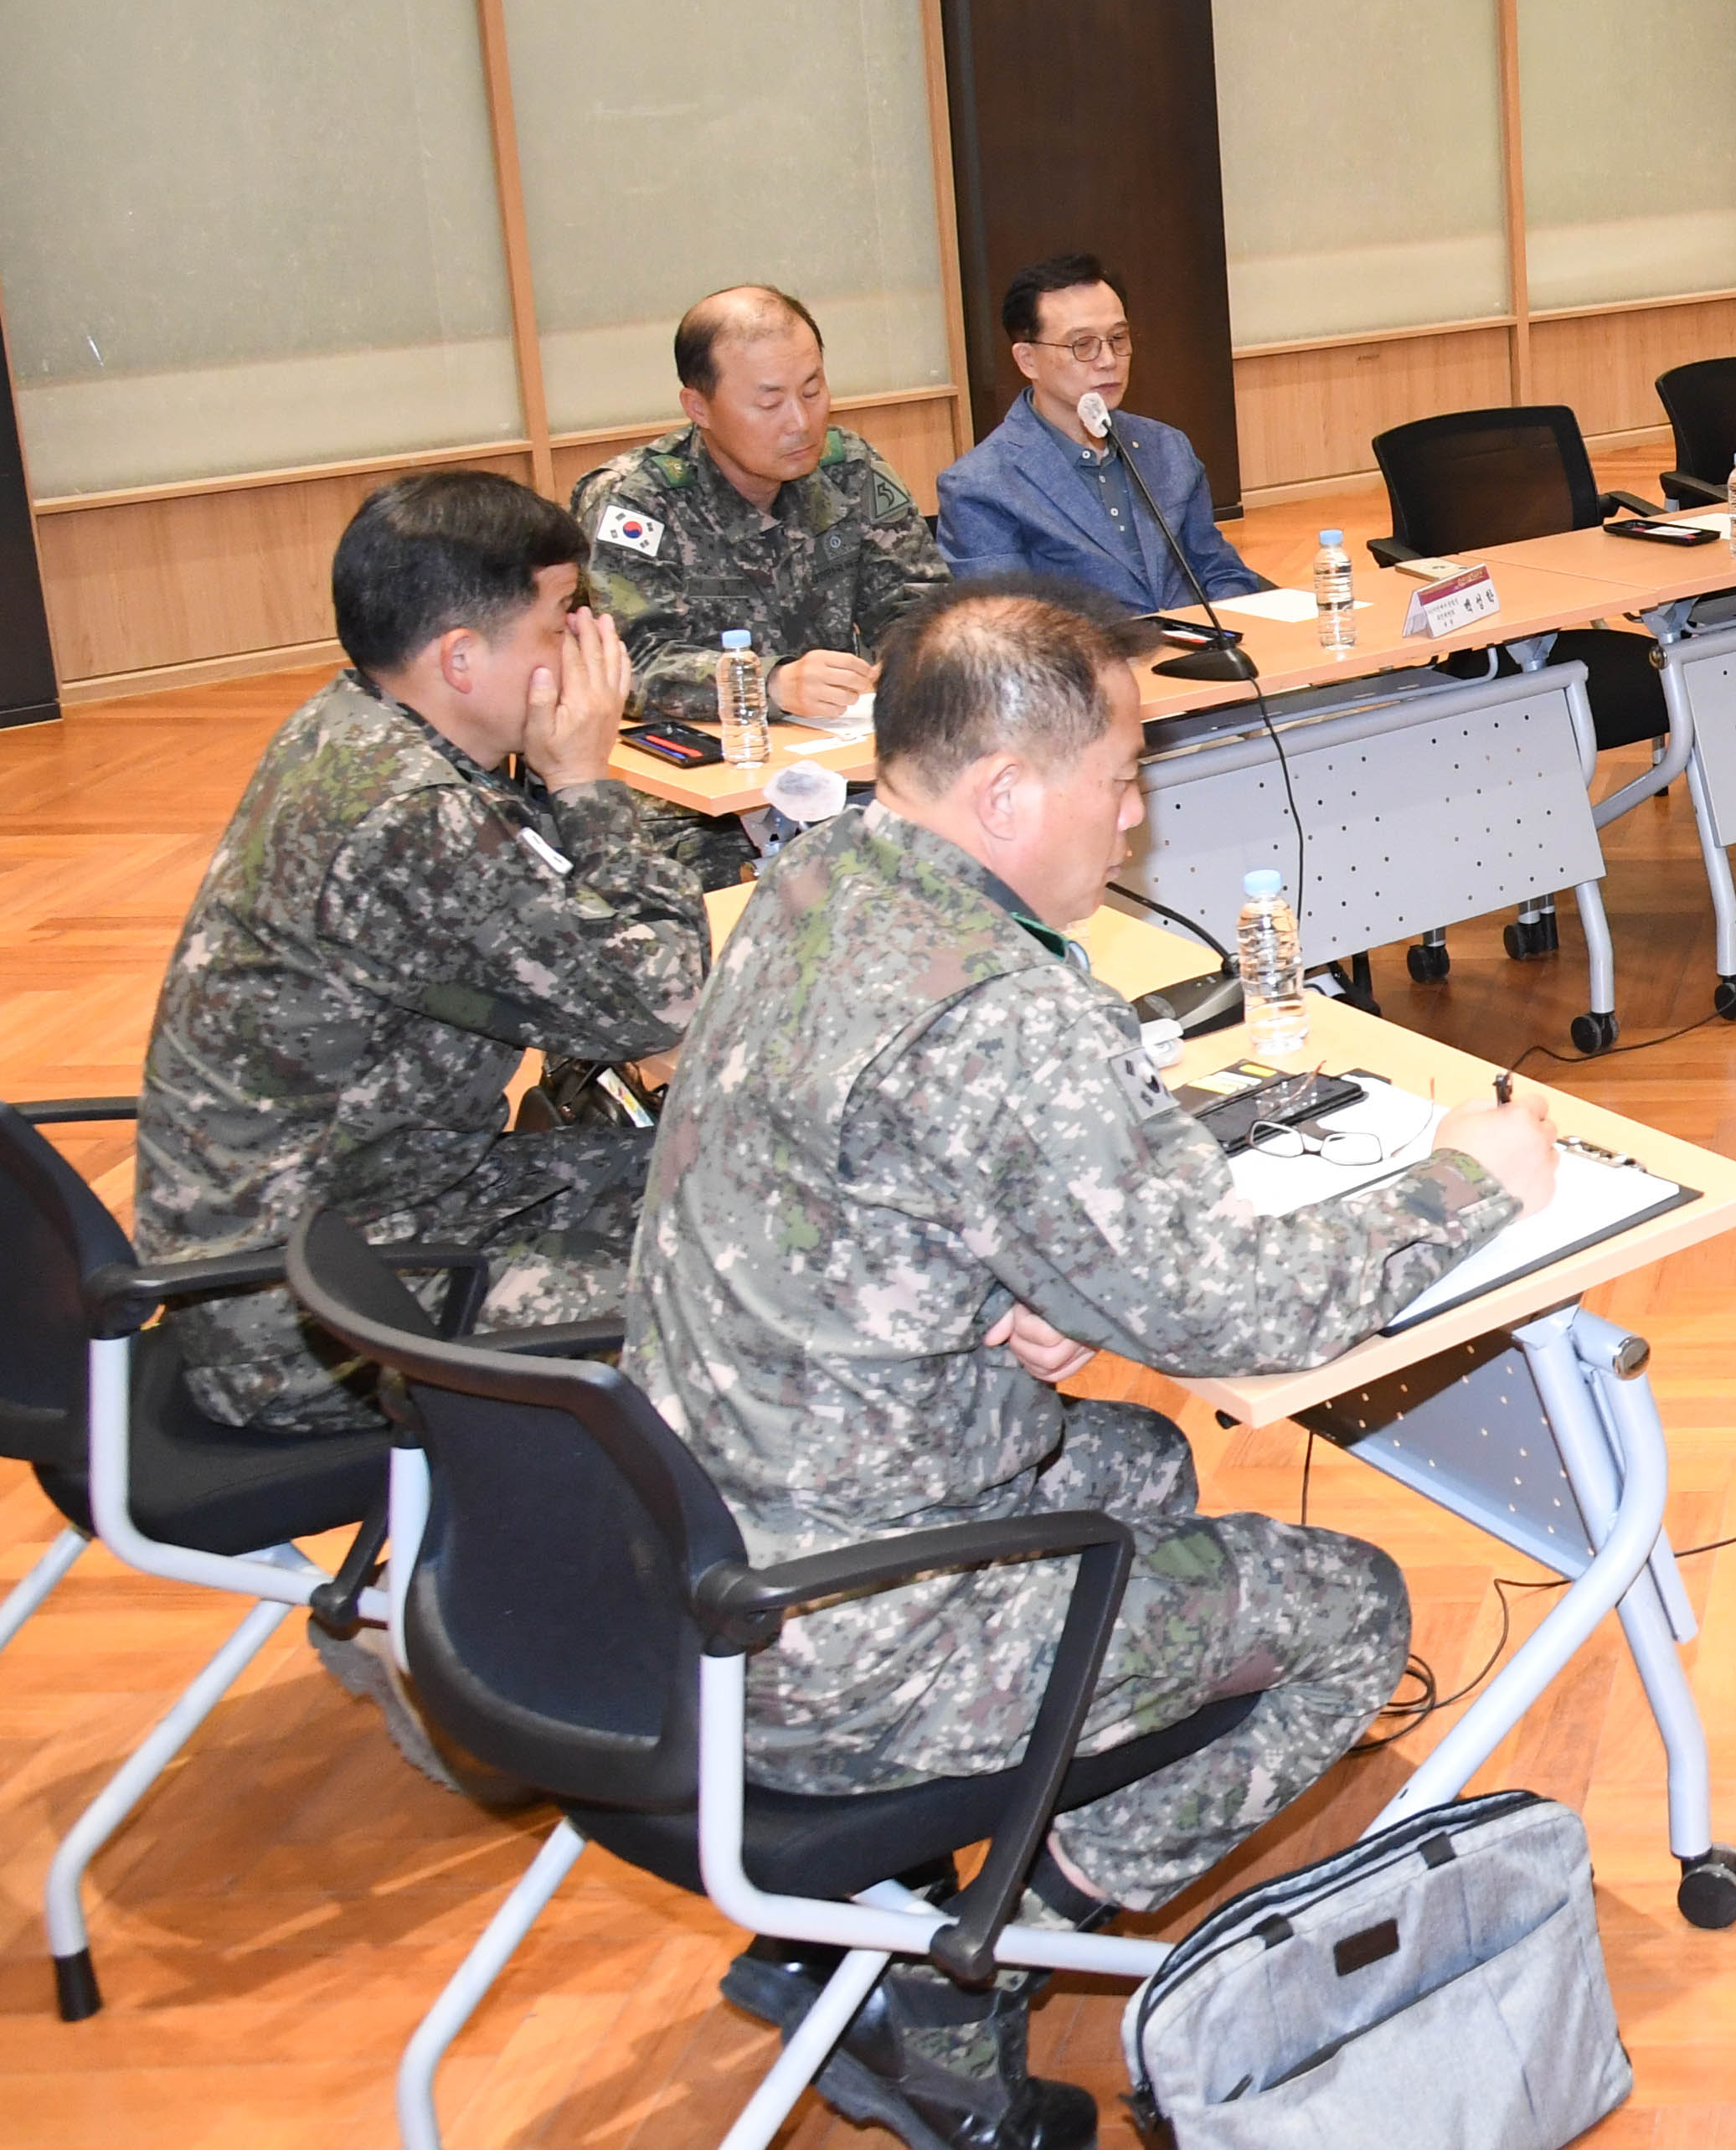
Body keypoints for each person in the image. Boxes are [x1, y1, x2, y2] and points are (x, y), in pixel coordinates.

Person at [626, 582, 1563, 2149]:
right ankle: (953, 1975)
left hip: (681, 1540)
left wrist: (1033, 1261)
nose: (1135, 818)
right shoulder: (995, 1009)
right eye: (1119, 777)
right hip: (845, 1636)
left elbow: (886, 1174)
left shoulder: (820, 880)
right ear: (1003, 793)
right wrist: (1475, 1178)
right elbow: (1244, 1316)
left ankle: (846, 1926)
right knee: (1350, 1615)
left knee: (1140, 1468)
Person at [134, 473, 706, 1775]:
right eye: (565, 620)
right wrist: (586, 779)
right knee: (731, 1264)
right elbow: (658, 993)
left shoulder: (351, 727)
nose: (588, 651)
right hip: (304, 1310)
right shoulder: (416, 812)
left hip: (311, 1221)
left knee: (696, 1175)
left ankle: (443, 1597)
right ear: (462, 657)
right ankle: (515, 1645)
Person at [571, 285, 950, 727]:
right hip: (707, 768)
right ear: (699, 407)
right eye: (769, 403)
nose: (800, 423)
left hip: (836, 746)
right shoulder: (637, 501)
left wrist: (909, 658)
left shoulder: (849, 467)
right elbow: (628, 664)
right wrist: (768, 684)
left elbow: (920, 600)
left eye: (812, 391)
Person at [931, 253, 1268, 616]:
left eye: (1118, 338)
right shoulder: (980, 486)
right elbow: (1010, 630)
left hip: (1205, 659)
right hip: (1081, 670)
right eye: (1083, 344)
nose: (1108, 359)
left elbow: (1219, 571)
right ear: (1027, 360)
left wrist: (1231, 631)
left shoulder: (1166, 447)